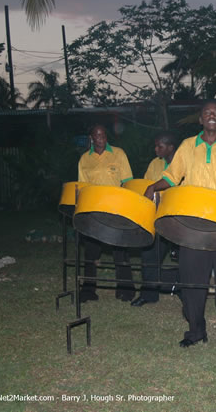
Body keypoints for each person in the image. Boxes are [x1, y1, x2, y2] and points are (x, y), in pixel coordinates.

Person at [144, 101, 216, 352]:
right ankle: (195, 331)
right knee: (192, 281)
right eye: (207, 113)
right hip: (191, 225)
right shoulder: (188, 146)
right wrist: (154, 186)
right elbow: (172, 175)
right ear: (200, 119)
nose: (212, 116)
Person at [77, 124, 135, 302]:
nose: (100, 138)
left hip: (116, 208)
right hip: (94, 209)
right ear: (91, 138)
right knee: (91, 252)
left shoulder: (118, 154)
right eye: (96, 135)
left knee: (120, 251)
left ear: (106, 136)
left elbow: (127, 182)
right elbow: (82, 186)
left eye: (102, 134)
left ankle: (125, 289)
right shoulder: (84, 159)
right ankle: (88, 290)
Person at [131, 132, 179, 307]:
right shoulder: (154, 164)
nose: (156, 149)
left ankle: (182, 289)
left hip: (178, 216)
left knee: (184, 257)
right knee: (149, 254)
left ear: (170, 147)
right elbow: (146, 186)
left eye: (160, 146)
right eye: (156, 145)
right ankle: (149, 294)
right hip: (157, 214)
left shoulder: (183, 162)